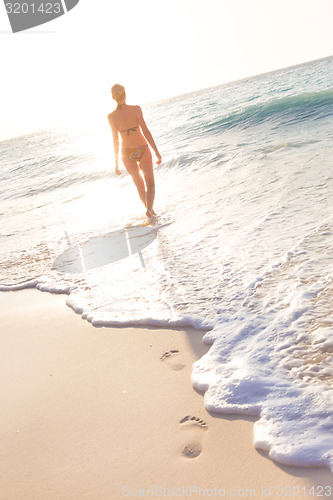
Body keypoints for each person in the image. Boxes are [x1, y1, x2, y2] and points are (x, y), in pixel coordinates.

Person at [108, 84, 162, 218]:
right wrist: (156, 151)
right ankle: (149, 211)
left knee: (139, 186)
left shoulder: (111, 116)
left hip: (126, 153)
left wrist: (116, 163)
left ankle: (151, 213)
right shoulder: (136, 109)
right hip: (142, 149)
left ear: (113, 97)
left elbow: (115, 140)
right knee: (150, 185)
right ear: (125, 94)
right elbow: (146, 131)